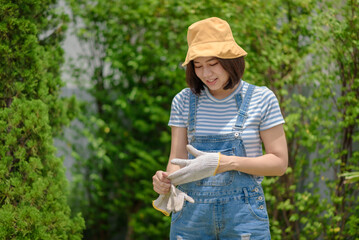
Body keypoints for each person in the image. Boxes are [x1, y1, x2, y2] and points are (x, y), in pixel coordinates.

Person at [152, 17, 288, 240]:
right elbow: (176, 159)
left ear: (231, 60)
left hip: (244, 218)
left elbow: (279, 164)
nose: (206, 74)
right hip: (190, 218)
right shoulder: (183, 101)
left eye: (213, 64)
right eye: (198, 65)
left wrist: (224, 163)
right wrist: (165, 180)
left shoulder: (262, 99)